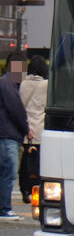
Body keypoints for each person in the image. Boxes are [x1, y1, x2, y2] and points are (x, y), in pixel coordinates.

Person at [0, 51, 29, 220]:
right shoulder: (8, 84)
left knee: (4, 173)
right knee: (8, 173)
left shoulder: (6, 83)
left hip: (5, 133)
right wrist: (26, 128)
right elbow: (16, 110)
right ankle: (4, 209)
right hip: (8, 135)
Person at [19, 53, 47, 204]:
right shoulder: (46, 85)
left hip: (26, 130)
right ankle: (37, 189)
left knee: (26, 162)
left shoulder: (23, 84)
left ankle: (25, 189)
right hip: (40, 130)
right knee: (38, 163)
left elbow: (20, 106)